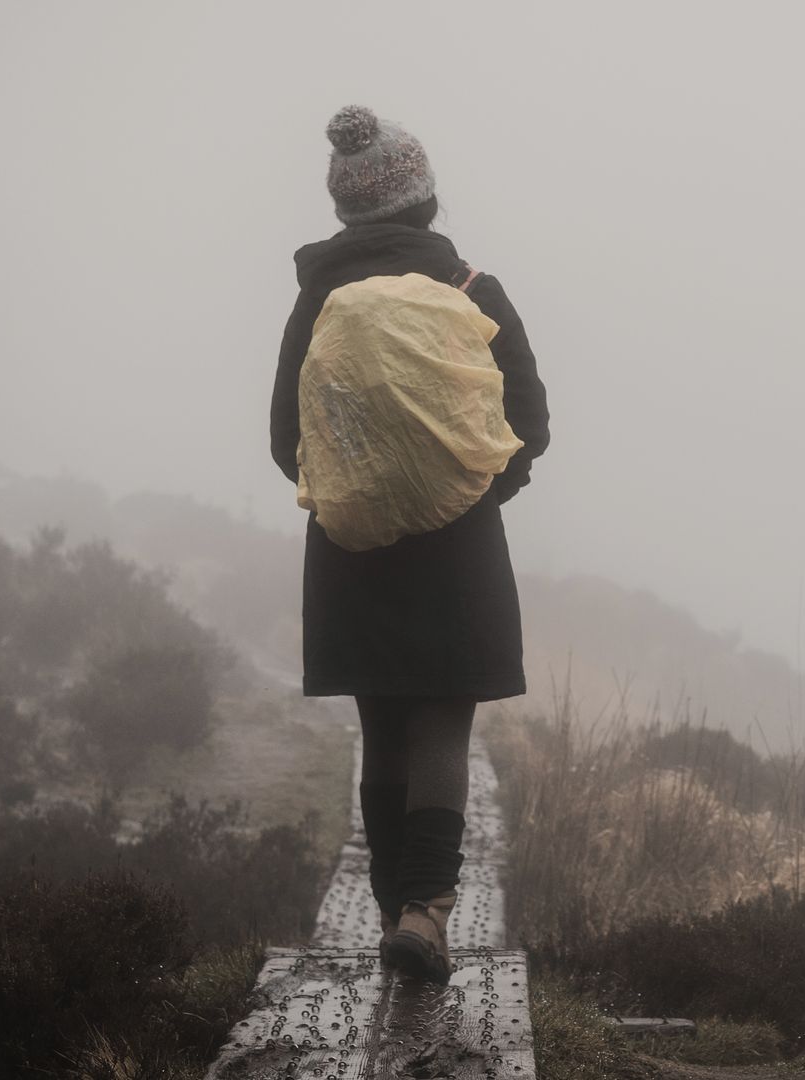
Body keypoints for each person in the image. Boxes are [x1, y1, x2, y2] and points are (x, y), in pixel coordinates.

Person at [269, 105, 550, 983]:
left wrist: (357, 488)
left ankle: (394, 910)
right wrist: (469, 490)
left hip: (349, 552)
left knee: (382, 726)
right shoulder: (472, 290)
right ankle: (427, 918)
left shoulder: (318, 300)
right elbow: (529, 424)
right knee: (440, 724)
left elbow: (287, 440)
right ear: (424, 200)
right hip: (457, 552)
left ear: (346, 212)